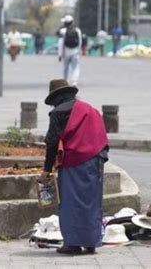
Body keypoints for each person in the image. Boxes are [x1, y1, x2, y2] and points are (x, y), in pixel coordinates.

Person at [39, 79, 109, 255]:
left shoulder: (58, 113)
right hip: (96, 159)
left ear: (55, 98)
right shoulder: (89, 109)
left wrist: (47, 169)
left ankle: (73, 244)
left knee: (71, 202)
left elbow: (52, 142)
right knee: (92, 201)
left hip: (74, 162)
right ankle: (91, 242)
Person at [57, 15, 82, 86]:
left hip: (66, 52)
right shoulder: (78, 30)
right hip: (75, 52)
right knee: (75, 67)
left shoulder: (63, 31)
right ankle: (74, 81)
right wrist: (79, 51)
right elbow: (80, 42)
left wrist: (60, 54)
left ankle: (65, 81)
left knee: (65, 67)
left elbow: (60, 43)